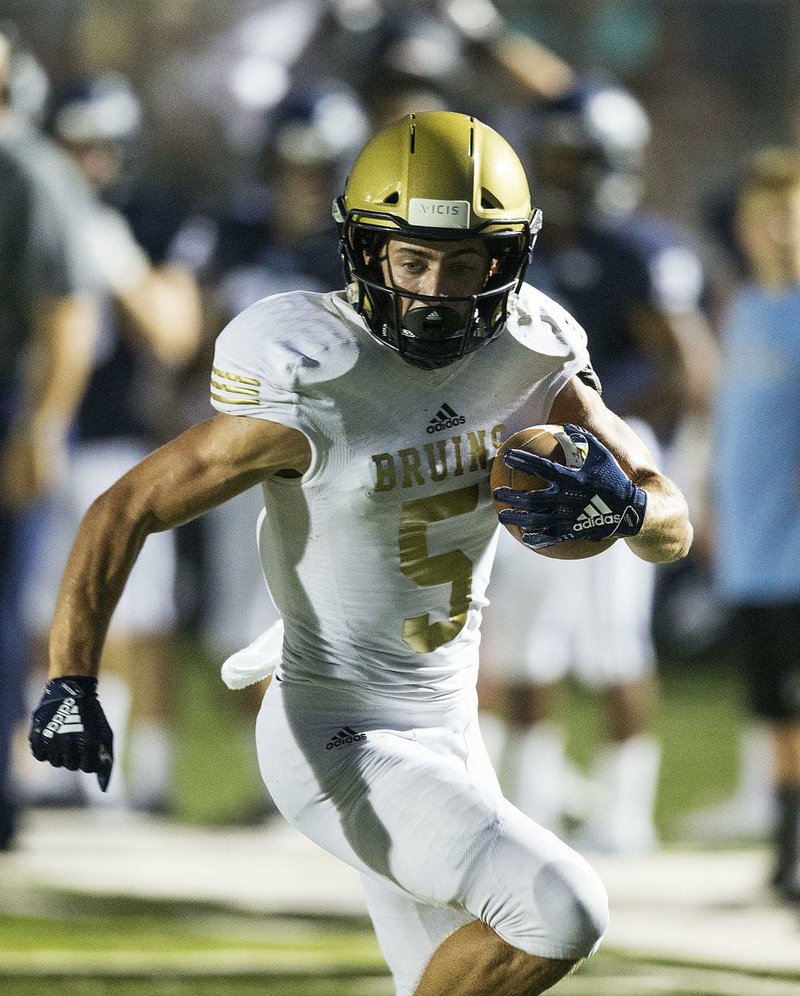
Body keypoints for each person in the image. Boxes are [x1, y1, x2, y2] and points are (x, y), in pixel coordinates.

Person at [28, 111, 692, 995]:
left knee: (454, 974)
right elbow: (126, 507)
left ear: (507, 262)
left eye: (464, 266)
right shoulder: (316, 374)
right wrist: (72, 679)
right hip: (337, 730)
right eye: (411, 261)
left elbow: (671, 526)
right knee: (561, 907)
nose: (433, 291)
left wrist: (625, 508)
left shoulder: (532, 353)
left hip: (450, 725)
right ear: (364, 251)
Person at [478, 80, 716, 852]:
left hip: (613, 461)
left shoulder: (638, 250)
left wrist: (594, 422)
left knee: (614, 644)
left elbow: (687, 370)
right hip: (539, 455)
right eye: (552, 158)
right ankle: (531, 794)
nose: (564, 173)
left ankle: (624, 810)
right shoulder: (531, 246)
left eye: (576, 158)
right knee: (524, 643)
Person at [19, 72, 202, 813]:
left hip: (117, 443)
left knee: (123, 612)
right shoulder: (26, 206)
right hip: (39, 435)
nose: (87, 162)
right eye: (74, 145)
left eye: (99, 147)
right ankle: (52, 762)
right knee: (35, 609)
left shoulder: (145, 219)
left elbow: (175, 332)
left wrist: (118, 264)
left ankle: (113, 770)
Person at [0, 30, 101, 848]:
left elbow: (67, 312)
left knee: (3, 608)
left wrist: (40, 424)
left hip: (6, 399)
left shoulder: (27, 167)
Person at [712, 147, 800, 903]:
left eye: (790, 218)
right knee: (775, 712)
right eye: (765, 217)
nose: (776, 232)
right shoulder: (743, 309)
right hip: (751, 550)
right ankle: (785, 846)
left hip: (796, 551)